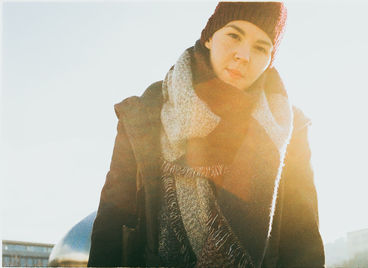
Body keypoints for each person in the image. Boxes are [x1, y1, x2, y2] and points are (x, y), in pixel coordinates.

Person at [88, 2, 325, 267]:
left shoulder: (288, 127)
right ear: (210, 37)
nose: (243, 55)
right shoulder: (145, 114)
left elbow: (303, 241)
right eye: (234, 35)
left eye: (261, 47)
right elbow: (112, 220)